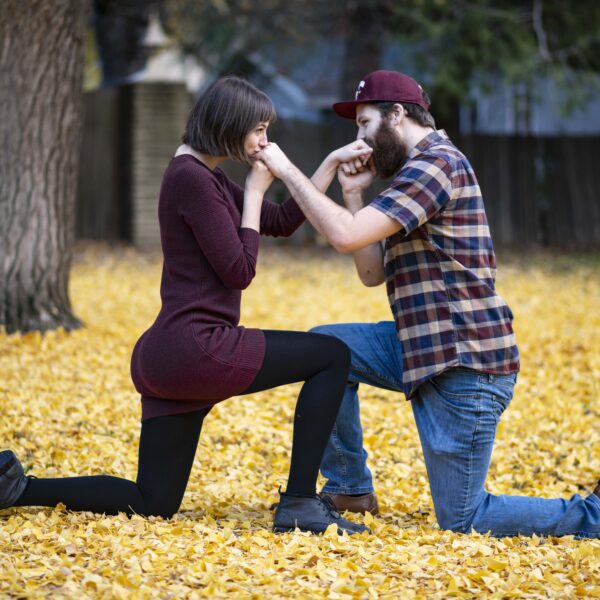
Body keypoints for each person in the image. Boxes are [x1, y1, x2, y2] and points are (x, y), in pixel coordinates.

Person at [0, 76, 373, 536]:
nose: (264, 141)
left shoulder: (201, 174)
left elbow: (280, 220)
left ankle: (17, 488)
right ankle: (299, 503)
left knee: (152, 501)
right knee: (331, 355)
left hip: (170, 355)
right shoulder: (192, 180)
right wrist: (255, 192)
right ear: (230, 125)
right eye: (258, 129)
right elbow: (240, 270)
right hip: (199, 347)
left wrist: (330, 165)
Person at [257, 70, 600, 538]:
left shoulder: (437, 165)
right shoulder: (412, 175)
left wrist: (287, 170)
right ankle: (350, 487)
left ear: (397, 115)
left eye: (364, 122)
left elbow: (343, 236)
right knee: (327, 348)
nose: (359, 138)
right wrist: (354, 194)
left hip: (466, 364)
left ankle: (593, 515)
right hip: (421, 347)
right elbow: (371, 274)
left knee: (464, 517)